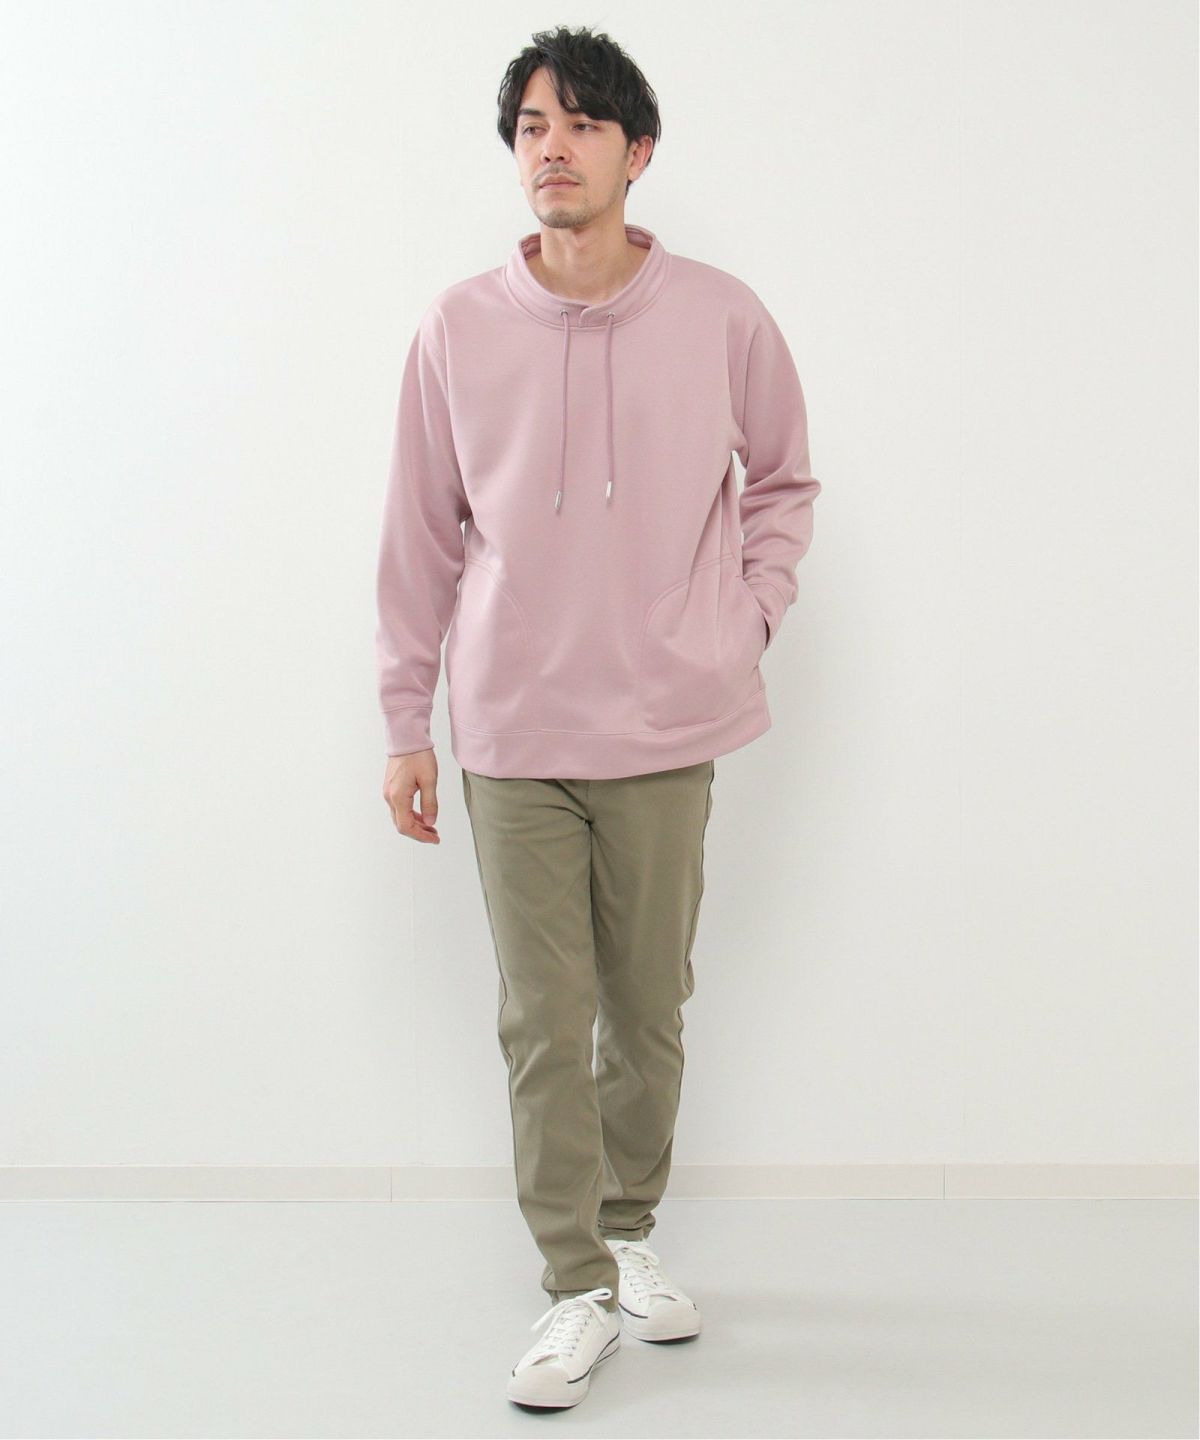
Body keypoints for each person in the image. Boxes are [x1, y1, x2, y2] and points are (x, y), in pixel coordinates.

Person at [374, 23, 821, 1412]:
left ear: (639, 152)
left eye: (580, 125)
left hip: (667, 723)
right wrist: (404, 720)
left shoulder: (724, 316)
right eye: (531, 127)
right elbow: (419, 536)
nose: (551, 149)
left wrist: (744, 620)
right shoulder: (457, 327)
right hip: (511, 728)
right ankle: (572, 1283)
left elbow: (784, 481)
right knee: (541, 1018)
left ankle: (626, 1233)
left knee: (649, 1007)